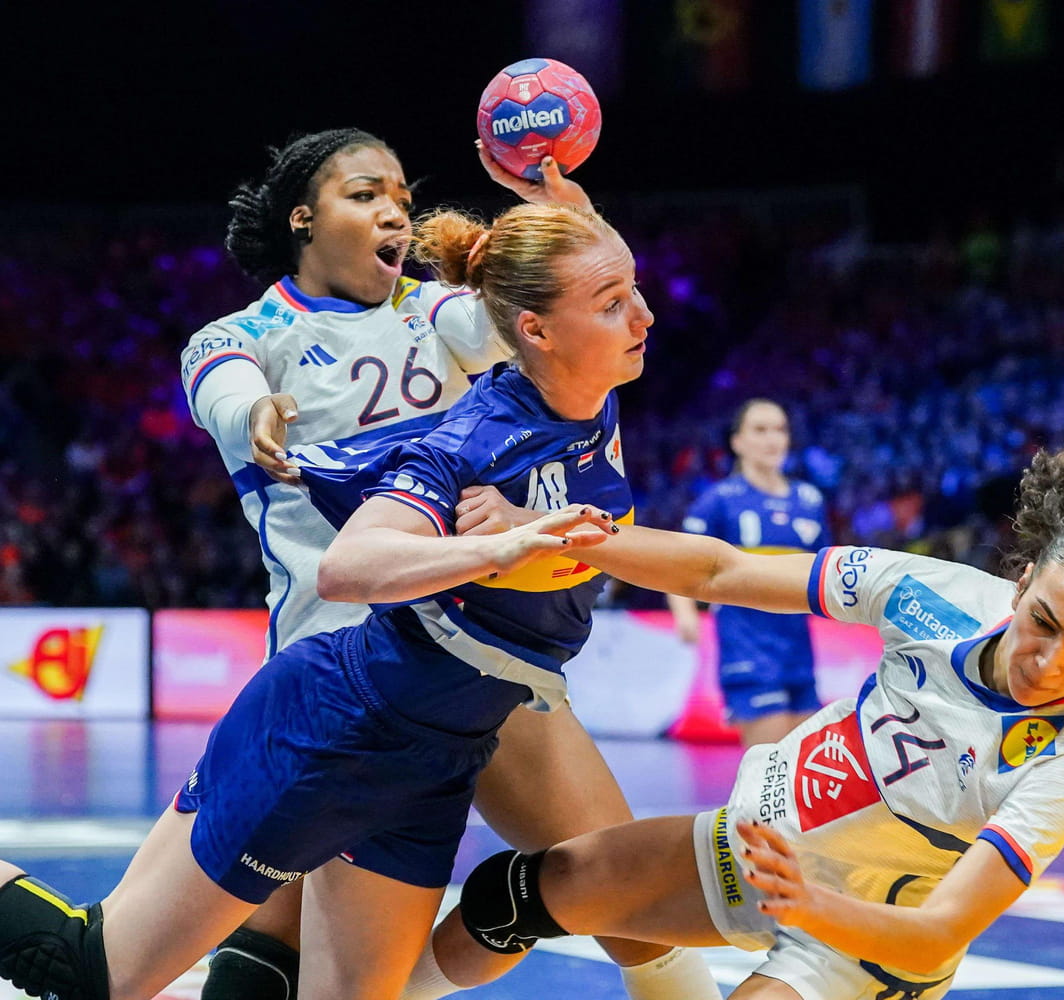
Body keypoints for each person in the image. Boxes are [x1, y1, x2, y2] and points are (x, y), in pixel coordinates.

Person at [0, 201, 688, 1000]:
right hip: (336, 728)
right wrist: (503, 546)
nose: (643, 313)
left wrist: (557, 198)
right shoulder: (465, 435)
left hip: (439, 758)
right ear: (535, 331)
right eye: (614, 301)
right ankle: (517, 912)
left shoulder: (591, 398)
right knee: (87, 975)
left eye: (631, 290)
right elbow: (347, 564)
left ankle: (511, 913)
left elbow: (555, 273)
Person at [178, 129, 716, 1000]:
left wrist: (564, 217)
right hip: (340, 677)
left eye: (401, 192)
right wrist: (255, 411)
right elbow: (222, 385)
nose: (395, 207)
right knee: (264, 956)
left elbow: (548, 313)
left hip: (471, 652)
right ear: (304, 218)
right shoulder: (240, 337)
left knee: (623, 892)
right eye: (364, 193)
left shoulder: (438, 316)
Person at [432, 448, 1064, 1000]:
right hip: (750, 843)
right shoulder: (930, 593)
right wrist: (546, 533)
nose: (1051, 662)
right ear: (1024, 579)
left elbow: (943, 928)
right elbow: (718, 573)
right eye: (1045, 623)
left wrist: (811, 904)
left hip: (858, 944)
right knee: (512, 896)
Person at [667, 398, 831, 745]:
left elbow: (825, 568)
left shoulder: (809, 500)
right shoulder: (719, 500)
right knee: (770, 766)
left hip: (799, 650)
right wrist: (685, 613)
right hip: (748, 648)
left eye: (780, 430)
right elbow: (678, 560)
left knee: (806, 768)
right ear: (737, 442)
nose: (772, 439)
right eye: (760, 430)